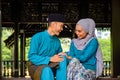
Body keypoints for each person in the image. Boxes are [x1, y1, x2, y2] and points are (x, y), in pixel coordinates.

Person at [28, 13, 67, 80]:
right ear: (53, 24)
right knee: (47, 70)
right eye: (61, 26)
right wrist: (49, 59)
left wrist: (64, 55)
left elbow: (58, 57)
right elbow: (32, 57)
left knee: (63, 59)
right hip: (36, 66)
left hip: (51, 65)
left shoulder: (57, 41)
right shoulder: (37, 37)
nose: (62, 29)